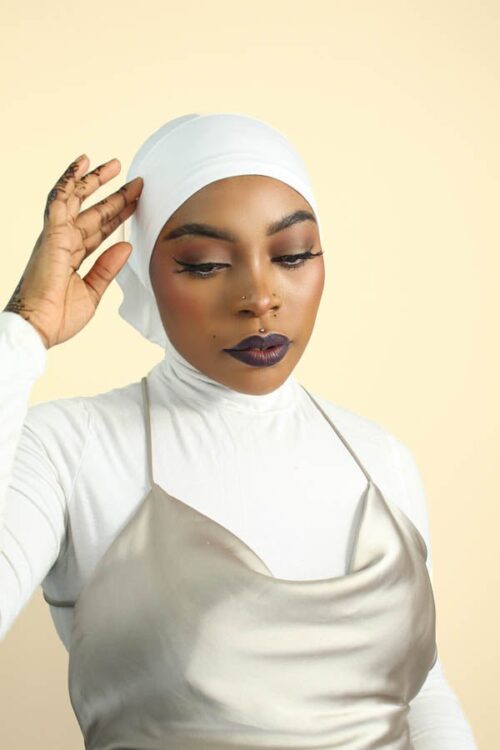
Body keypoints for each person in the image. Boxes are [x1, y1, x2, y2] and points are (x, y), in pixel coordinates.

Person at [0, 112, 477, 748]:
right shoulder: (71, 449)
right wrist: (23, 330)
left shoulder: (380, 459)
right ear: (143, 274)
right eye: (205, 264)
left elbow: (422, 693)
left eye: (293, 255)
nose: (259, 296)